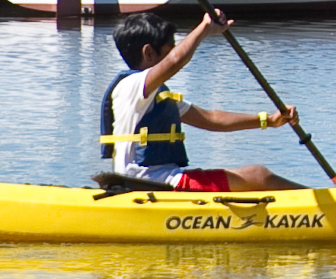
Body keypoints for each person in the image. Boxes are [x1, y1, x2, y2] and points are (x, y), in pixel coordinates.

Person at [100, 11, 308, 192]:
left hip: (163, 178)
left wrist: (268, 120)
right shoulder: (131, 86)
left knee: (253, 178)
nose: (174, 52)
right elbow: (175, 61)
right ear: (149, 52)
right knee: (258, 175)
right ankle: (329, 206)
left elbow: (212, 119)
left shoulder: (155, 95)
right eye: (171, 48)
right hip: (148, 180)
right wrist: (205, 28)